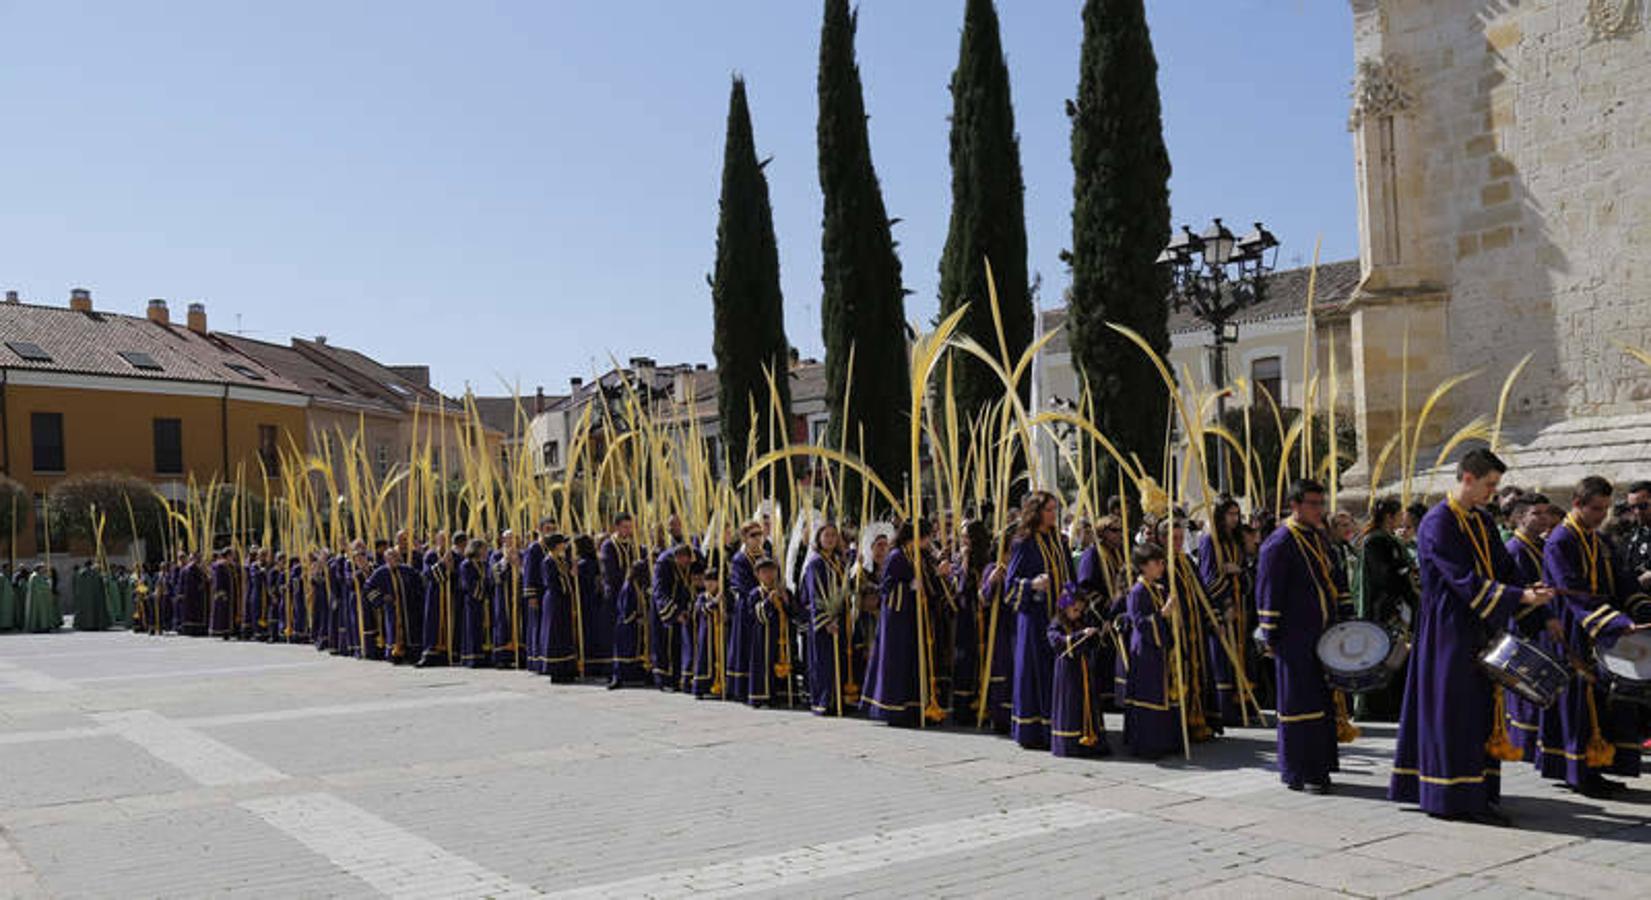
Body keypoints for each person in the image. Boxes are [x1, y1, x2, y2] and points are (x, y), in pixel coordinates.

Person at [1389, 448, 1553, 825]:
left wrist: (1532, 592)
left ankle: (1478, 792)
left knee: (1479, 709)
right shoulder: (1438, 522)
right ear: (1467, 479)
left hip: (1479, 626)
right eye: (1489, 485)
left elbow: (1504, 568)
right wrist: (1517, 596)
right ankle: (1452, 797)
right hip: (1448, 628)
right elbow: (1462, 579)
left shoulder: (1480, 519)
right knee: (1454, 711)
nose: (1493, 493)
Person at [1536, 476, 1651, 797]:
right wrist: (1617, 623)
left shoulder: (1597, 539)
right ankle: (1578, 773)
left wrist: (1642, 611)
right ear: (1578, 504)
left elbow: (1623, 579)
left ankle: (1597, 768)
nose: (1602, 515)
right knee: (1578, 704)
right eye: (1596, 509)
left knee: (1602, 704)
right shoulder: (1561, 540)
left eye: (1604, 508)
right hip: (1574, 630)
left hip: (1601, 629)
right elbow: (1574, 593)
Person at [1256, 478, 1351, 794]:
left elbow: (1336, 579)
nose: (1319, 510)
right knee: (1299, 705)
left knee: (1322, 704)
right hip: (1294, 639)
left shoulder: (1320, 538)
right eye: (1313, 504)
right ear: (1295, 505)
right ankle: (1299, 771)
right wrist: (1270, 635)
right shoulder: (1279, 542)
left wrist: (1346, 619)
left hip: (1324, 637)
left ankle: (1321, 767)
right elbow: (1269, 591)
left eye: (1321, 503)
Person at [1004, 491, 1071, 750]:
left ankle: (1059, 725)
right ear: (1036, 512)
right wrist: (1032, 584)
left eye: (1056, 509)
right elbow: (1010, 588)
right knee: (1037, 672)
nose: (1054, 514)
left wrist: (1068, 606)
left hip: (1059, 618)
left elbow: (1068, 580)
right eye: (1049, 510)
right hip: (1034, 621)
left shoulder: (1060, 541)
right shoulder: (1024, 542)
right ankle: (1034, 731)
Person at [1500, 494, 1555, 758]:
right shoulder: (1514, 550)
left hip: (1546, 624)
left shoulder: (1543, 546)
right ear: (1521, 517)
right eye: (1537, 513)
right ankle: (1525, 745)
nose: (1544, 517)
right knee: (1526, 689)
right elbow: (1515, 594)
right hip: (1527, 627)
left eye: (1546, 512)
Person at [1357, 497, 1419, 720]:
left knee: (1399, 656)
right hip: (1385, 608)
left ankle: (1395, 704)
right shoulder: (1374, 541)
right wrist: (1402, 572)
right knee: (1384, 656)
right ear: (1389, 516)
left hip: (1399, 606)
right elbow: (1383, 577)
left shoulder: (1390, 540)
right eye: (1400, 514)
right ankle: (1378, 707)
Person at [1121, 543, 1179, 759]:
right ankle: (1146, 743)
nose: (1161, 566)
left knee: (1160, 691)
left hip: (1157, 649)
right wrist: (1162, 614)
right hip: (1145, 650)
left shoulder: (1156, 588)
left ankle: (1162, 740)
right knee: (1148, 693)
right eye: (1157, 563)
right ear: (1144, 566)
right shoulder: (1137, 591)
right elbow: (1139, 622)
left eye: (1162, 562)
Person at [1197, 498, 1246, 727]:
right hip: (1220, 609)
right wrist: (1225, 604)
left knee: (1237, 654)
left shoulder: (1235, 542)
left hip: (1238, 607)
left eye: (1237, 514)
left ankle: (1239, 705)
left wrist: (1238, 572)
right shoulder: (1210, 541)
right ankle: (1223, 710)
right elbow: (1208, 579)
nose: (1234, 519)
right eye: (1230, 514)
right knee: (1221, 658)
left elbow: (1244, 572)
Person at [1049, 583, 1110, 758]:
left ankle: (1092, 740)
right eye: (1075, 610)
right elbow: (1058, 643)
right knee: (1071, 705)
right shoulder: (1056, 625)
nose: (1078, 614)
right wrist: (1080, 635)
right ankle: (1070, 742)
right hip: (1067, 674)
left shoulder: (1081, 621)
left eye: (1080, 610)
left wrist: (1098, 634)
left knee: (1088, 704)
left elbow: (1092, 645)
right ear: (1064, 608)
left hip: (1085, 670)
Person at [801, 522, 850, 716]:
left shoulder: (839, 561)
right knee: (823, 662)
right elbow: (815, 595)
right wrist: (826, 620)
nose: (830, 539)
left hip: (839, 617)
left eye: (834, 536)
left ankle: (838, 699)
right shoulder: (816, 563)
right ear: (819, 539)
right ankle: (823, 701)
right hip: (824, 622)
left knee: (839, 661)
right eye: (827, 535)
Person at [723, 521, 765, 703]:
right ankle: (741, 686)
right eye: (753, 535)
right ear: (745, 538)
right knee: (745, 646)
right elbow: (740, 585)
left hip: (764, 604)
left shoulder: (765, 555)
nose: (757, 539)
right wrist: (760, 593)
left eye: (759, 534)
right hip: (747, 607)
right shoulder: (740, 559)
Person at [747, 556, 794, 708]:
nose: (769, 575)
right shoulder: (755, 593)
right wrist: (768, 601)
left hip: (782, 635)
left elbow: (794, 613)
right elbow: (756, 615)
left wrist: (786, 601)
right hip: (763, 636)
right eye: (764, 572)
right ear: (758, 574)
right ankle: (763, 696)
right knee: (764, 665)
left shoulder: (784, 590)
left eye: (772, 571)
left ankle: (784, 695)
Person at [651, 543, 694, 691]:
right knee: (664, 643)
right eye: (683, 561)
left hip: (682, 607)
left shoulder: (691, 562)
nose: (686, 564)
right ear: (677, 558)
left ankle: (678, 678)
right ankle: (663, 679)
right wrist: (674, 613)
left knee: (678, 644)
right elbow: (659, 591)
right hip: (666, 609)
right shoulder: (663, 564)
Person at [609, 557, 651, 689]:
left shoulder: (639, 585)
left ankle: (636, 675)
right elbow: (626, 608)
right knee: (625, 650)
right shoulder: (629, 587)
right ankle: (618, 677)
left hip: (637, 625)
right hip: (627, 625)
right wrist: (636, 616)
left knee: (635, 650)